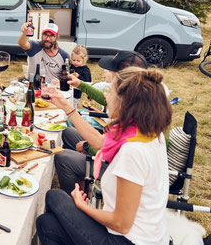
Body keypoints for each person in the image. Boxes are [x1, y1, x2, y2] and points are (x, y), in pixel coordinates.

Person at [37, 67, 172, 244]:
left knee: (55, 197)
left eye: (111, 93)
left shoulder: (134, 151)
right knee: (46, 223)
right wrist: (65, 105)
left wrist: (83, 207)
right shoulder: (146, 131)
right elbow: (99, 142)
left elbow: (121, 224)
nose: (106, 97)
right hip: (141, 233)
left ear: (126, 103)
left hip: (128, 240)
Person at [54, 50, 149, 192]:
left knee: (63, 159)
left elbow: (101, 144)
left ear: (122, 75)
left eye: (109, 69)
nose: (105, 71)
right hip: (112, 152)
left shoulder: (137, 115)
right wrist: (81, 84)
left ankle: (75, 197)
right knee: (68, 132)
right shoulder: (138, 98)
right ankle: (80, 181)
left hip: (114, 166)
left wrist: (87, 147)